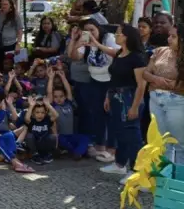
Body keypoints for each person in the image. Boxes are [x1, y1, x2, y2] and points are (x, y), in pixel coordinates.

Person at [101, 24, 147, 177]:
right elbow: (114, 78)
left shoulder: (137, 57)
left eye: (119, 33)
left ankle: (137, 170)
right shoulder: (120, 53)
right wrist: (108, 96)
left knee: (133, 135)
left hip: (129, 98)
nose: (116, 35)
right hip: (115, 96)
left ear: (127, 36)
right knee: (119, 132)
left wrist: (134, 107)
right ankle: (120, 163)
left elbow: (141, 85)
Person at [69, 20, 118, 163]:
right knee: (97, 114)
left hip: (110, 81)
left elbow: (117, 53)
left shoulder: (108, 37)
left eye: (92, 29)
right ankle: (100, 146)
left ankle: (112, 149)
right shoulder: (86, 42)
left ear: (99, 29)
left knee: (111, 114)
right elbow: (74, 57)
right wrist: (76, 41)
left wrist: (97, 44)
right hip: (95, 80)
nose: (90, 33)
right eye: (86, 30)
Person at [143, 24, 184, 162]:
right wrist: (156, 79)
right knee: (161, 142)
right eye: (169, 36)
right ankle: (163, 178)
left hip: (177, 101)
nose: (169, 39)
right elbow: (145, 73)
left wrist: (174, 85)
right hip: (155, 99)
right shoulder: (160, 51)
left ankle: (178, 180)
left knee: (179, 143)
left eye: (174, 36)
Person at [0, 0, 23, 71]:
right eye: (2, 4)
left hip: (10, 45)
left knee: (9, 65)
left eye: (5, 4)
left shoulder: (16, 15)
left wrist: (18, 44)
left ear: (10, 5)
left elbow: (20, 30)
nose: (3, 6)